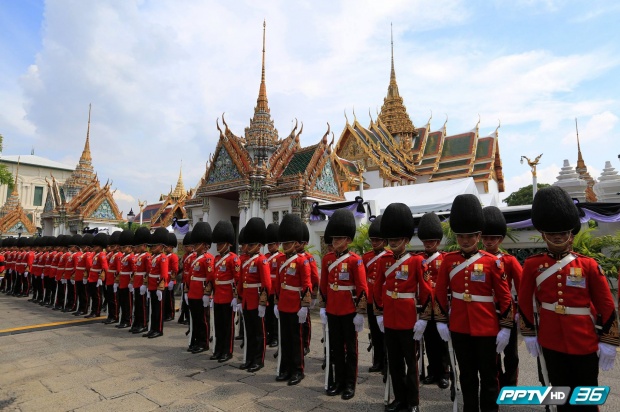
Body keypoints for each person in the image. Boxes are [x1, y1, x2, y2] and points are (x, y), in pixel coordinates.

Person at [519, 186, 618, 412]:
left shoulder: (588, 265)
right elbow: (524, 300)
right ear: (544, 234)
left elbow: (605, 303)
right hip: (551, 340)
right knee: (560, 395)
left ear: (570, 234)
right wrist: (529, 334)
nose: (558, 237)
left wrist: (609, 340)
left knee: (586, 396)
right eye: (553, 233)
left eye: (562, 233)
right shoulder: (533, 265)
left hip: (583, 339)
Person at [434, 194, 513, 412]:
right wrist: (441, 321)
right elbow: (440, 292)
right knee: (467, 376)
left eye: (470, 236)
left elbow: (504, 296)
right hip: (459, 327)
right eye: (461, 236)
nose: (465, 240)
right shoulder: (449, 261)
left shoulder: (492, 262)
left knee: (489, 377)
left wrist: (505, 327)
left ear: (478, 236)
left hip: (487, 328)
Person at [374, 203, 432, 412]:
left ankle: (413, 402)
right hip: (390, 318)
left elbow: (426, 291)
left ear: (406, 240)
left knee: (412, 364)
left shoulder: (417, 262)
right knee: (395, 363)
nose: (393, 243)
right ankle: (399, 399)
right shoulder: (384, 261)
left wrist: (423, 319)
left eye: (397, 240)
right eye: (391, 240)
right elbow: (377, 289)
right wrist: (379, 313)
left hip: (409, 320)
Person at [320, 209, 368, 400]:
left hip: (349, 311)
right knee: (336, 348)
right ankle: (338, 381)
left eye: (339, 239)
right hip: (332, 310)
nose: (335, 242)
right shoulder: (327, 260)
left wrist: (360, 312)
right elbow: (324, 285)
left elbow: (362, 287)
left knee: (351, 349)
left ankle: (350, 384)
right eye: (333, 239)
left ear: (348, 240)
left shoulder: (355, 261)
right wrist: (323, 307)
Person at [481, 206, 522, 388]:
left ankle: (510, 383)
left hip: (506, 311)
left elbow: (522, 287)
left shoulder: (509, 261)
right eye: (486, 238)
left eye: (493, 238)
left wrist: (521, 311)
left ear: (500, 239)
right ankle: (495, 382)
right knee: (491, 352)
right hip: (486, 312)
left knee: (510, 353)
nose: (489, 241)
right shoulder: (476, 261)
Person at [274, 213, 311, 386]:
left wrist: (304, 306)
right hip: (283, 304)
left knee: (296, 340)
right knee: (285, 339)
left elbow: (306, 285)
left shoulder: (302, 261)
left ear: (296, 243)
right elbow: (277, 283)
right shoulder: (280, 259)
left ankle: (298, 370)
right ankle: (285, 368)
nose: (285, 245)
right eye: (284, 242)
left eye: (288, 243)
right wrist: (276, 302)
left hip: (296, 305)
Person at [416, 212, 450, 389]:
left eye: (432, 241)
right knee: (429, 341)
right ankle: (432, 371)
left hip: (440, 306)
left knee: (442, 342)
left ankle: (444, 373)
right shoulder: (419, 259)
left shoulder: (444, 259)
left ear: (437, 242)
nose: (428, 244)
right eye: (426, 241)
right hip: (424, 306)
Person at [238, 217, 272, 372]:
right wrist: (239, 298)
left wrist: (263, 302)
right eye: (248, 244)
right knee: (249, 332)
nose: (248, 247)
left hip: (256, 301)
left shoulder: (262, 261)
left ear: (259, 245)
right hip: (246, 300)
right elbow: (241, 282)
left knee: (259, 333)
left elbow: (266, 284)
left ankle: (258, 360)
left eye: (251, 244)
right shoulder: (245, 261)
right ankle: (250, 358)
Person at [207, 220, 240, 363]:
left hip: (228, 297)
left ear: (228, 243)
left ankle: (228, 351)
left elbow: (237, 280)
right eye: (217, 243)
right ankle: (218, 349)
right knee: (218, 326)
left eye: (220, 243)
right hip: (218, 296)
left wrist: (236, 297)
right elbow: (214, 278)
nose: (218, 246)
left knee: (228, 327)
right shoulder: (217, 259)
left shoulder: (234, 259)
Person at [362, 215, 391, 374]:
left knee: (385, 333)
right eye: (372, 240)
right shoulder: (366, 257)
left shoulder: (389, 258)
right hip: (371, 300)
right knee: (374, 333)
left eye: (377, 240)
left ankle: (386, 361)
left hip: (384, 301)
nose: (374, 243)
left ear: (384, 241)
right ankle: (377, 361)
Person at [186, 223, 214, 353]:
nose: (194, 245)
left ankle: (204, 342)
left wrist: (207, 294)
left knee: (203, 320)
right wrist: (187, 291)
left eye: (197, 243)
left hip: (201, 294)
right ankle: (196, 340)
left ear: (203, 244)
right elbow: (190, 277)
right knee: (196, 320)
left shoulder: (208, 259)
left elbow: (210, 278)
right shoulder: (194, 258)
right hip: (193, 293)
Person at [143, 227, 169, 338]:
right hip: (152, 285)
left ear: (161, 246)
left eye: (155, 245)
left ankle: (158, 329)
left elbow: (163, 274)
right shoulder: (154, 257)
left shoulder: (162, 257)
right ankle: (152, 328)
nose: (153, 247)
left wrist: (160, 287)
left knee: (159, 310)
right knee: (153, 309)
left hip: (159, 287)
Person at [298, 222, 319, 356]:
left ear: (304, 243)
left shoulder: (308, 258)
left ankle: (306, 344)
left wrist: (313, 296)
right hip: (293, 294)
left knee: (305, 321)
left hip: (304, 293)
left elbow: (315, 277)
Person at [130, 227, 151, 334]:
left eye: (138, 246)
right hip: (137, 283)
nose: (137, 248)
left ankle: (143, 324)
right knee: (137, 305)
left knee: (142, 306)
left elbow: (148, 271)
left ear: (144, 246)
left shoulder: (147, 257)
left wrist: (145, 284)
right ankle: (137, 322)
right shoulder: (139, 256)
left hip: (142, 283)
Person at [264, 223, 281, 348]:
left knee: (275, 317)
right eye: (269, 244)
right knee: (268, 316)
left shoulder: (281, 257)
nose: (270, 246)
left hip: (275, 291)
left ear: (278, 244)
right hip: (267, 291)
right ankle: (269, 335)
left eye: (272, 244)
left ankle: (275, 337)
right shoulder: (265, 257)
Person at [86, 233, 109, 318]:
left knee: (97, 296)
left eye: (95, 246)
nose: (94, 247)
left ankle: (97, 311)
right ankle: (93, 311)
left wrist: (102, 275)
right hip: (92, 277)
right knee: (93, 295)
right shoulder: (95, 254)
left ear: (100, 247)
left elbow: (105, 266)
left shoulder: (102, 254)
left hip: (97, 277)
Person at [116, 230, 135, 329]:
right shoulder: (124, 257)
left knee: (128, 303)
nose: (123, 249)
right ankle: (123, 319)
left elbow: (134, 271)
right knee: (123, 303)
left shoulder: (131, 257)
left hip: (127, 283)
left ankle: (128, 320)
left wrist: (131, 281)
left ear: (130, 247)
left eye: (124, 247)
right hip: (122, 282)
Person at [103, 231, 122, 323]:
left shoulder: (118, 256)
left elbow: (118, 270)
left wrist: (116, 281)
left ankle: (114, 316)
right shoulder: (112, 255)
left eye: (113, 246)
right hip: (109, 280)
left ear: (118, 246)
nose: (111, 248)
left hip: (114, 280)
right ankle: (111, 315)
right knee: (110, 299)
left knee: (114, 300)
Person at [74, 234, 93, 316]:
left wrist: (87, 273)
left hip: (83, 276)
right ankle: (80, 308)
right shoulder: (83, 254)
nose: (82, 247)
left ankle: (84, 309)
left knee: (84, 294)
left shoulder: (88, 254)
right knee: (80, 293)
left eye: (83, 246)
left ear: (87, 247)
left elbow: (88, 265)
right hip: (79, 275)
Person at [179, 231, 194, 325]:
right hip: (185, 281)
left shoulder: (194, 256)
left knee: (188, 301)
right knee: (184, 300)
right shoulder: (185, 256)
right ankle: (184, 316)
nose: (184, 248)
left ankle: (189, 318)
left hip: (190, 282)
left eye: (186, 246)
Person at [164, 233, 179, 321]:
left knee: (170, 298)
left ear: (171, 247)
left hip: (170, 279)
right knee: (166, 298)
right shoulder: (166, 256)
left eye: (167, 246)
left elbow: (175, 269)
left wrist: (172, 280)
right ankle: (166, 313)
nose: (165, 248)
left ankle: (170, 314)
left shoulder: (173, 256)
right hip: (166, 279)